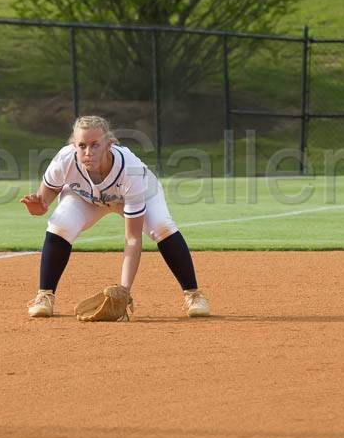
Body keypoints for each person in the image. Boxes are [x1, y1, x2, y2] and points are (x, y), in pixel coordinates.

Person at [20, 115, 211, 319]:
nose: (88, 152)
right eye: (82, 145)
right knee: (61, 224)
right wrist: (38, 208)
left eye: (95, 145)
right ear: (73, 145)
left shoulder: (131, 171)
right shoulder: (64, 160)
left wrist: (124, 290)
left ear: (108, 145)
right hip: (86, 198)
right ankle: (45, 296)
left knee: (162, 226)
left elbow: (133, 238)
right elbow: (42, 205)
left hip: (137, 193)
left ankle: (193, 295)